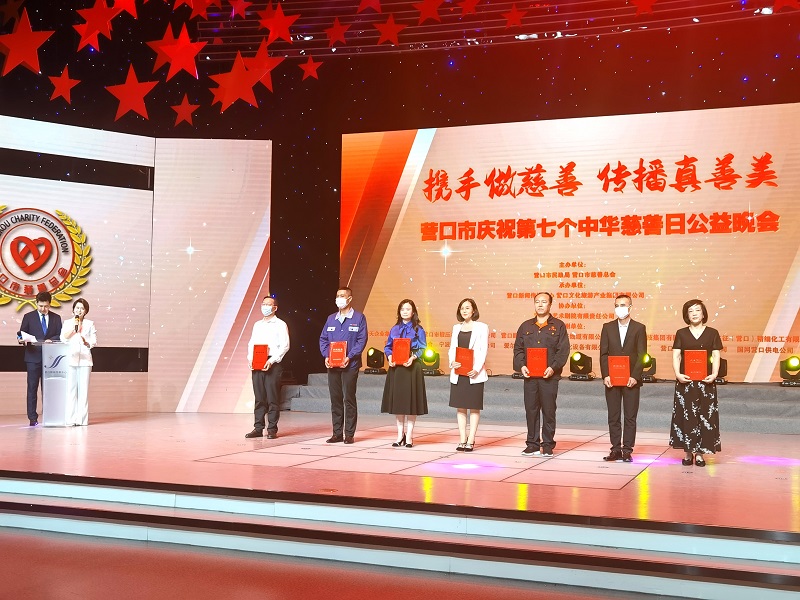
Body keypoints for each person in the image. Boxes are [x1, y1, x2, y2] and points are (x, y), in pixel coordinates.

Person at [513, 292, 570, 457]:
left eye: (544, 302)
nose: (540, 304)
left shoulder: (558, 326)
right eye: (537, 301)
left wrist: (553, 367)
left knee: (549, 410)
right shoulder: (525, 326)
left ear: (550, 304)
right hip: (530, 377)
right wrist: (522, 366)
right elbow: (518, 349)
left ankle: (548, 444)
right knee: (531, 410)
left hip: (549, 377)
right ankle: (532, 444)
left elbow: (563, 351)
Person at [670, 299, 723, 467]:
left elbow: (715, 355)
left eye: (697, 310)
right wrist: (678, 374)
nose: (694, 314)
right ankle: (688, 452)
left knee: (704, 417)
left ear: (703, 313)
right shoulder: (681, 333)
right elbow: (676, 355)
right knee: (686, 417)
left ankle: (700, 454)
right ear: (686, 315)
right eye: (690, 311)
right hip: (685, 382)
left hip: (705, 382)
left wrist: (714, 374)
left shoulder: (712, 333)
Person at [599, 294, 647, 463]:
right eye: (617, 305)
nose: (620, 308)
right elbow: (603, 354)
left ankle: (627, 450)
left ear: (630, 307)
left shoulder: (639, 328)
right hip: (612, 379)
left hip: (631, 380)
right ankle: (615, 449)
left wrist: (635, 376)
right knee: (613, 416)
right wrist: (606, 375)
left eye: (623, 305)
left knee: (630, 416)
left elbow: (642, 355)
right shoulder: (607, 327)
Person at [319, 286, 368, 444]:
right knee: (335, 399)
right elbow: (323, 339)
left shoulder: (359, 318)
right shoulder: (331, 318)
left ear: (349, 298)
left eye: (342, 295)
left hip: (350, 365)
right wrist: (326, 355)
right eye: (337, 295)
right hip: (332, 365)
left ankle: (349, 434)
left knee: (349, 399)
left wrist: (350, 356)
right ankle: (337, 433)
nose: (339, 298)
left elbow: (361, 340)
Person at [381, 299, 428, 448]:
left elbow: (423, 348)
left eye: (408, 309)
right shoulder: (394, 329)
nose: (405, 311)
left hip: (412, 367)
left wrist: (413, 357)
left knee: (411, 403)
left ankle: (410, 436)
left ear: (413, 312)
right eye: (402, 309)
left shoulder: (418, 329)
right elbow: (388, 347)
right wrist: (389, 357)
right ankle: (399, 435)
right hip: (397, 368)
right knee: (399, 403)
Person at [245, 296, 290, 439]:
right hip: (257, 361)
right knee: (259, 397)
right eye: (263, 304)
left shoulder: (280, 324)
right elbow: (251, 343)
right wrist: (250, 359)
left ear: (275, 308)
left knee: (272, 397)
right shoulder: (257, 324)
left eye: (268, 304)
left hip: (272, 362)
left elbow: (285, 346)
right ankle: (258, 428)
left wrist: (271, 360)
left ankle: (272, 429)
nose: (265, 307)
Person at [447, 298, 489, 452]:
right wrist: (452, 362)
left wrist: (477, 368)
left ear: (473, 310)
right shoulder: (456, 328)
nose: (464, 311)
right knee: (460, 407)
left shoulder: (482, 327)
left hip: (474, 373)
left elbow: (483, 349)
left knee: (474, 407)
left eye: (467, 308)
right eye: (462, 308)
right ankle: (462, 439)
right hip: (459, 372)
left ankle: (471, 439)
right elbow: (452, 348)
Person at [18, 291, 63, 426]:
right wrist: (21, 339)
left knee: (49, 389)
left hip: (50, 359)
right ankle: (32, 418)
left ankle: (50, 416)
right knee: (32, 388)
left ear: (50, 304)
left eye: (46, 306)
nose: (43, 309)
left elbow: (60, 335)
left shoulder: (56, 318)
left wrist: (51, 339)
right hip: (33, 357)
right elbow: (21, 334)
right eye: (41, 306)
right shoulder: (28, 317)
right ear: (36, 303)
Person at [60, 298, 97, 426]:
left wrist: (87, 342)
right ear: (73, 309)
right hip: (71, 359)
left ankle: (82, 420)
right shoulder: (68, 323)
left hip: (85, 360)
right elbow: (63, 338)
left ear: (85, 311)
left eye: (82, 308)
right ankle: (70, 420)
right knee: (71, 390)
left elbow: (93, 341)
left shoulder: (90, 324)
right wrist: (73, 330)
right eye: (77, 308)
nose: (79, 310)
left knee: (83, 391)